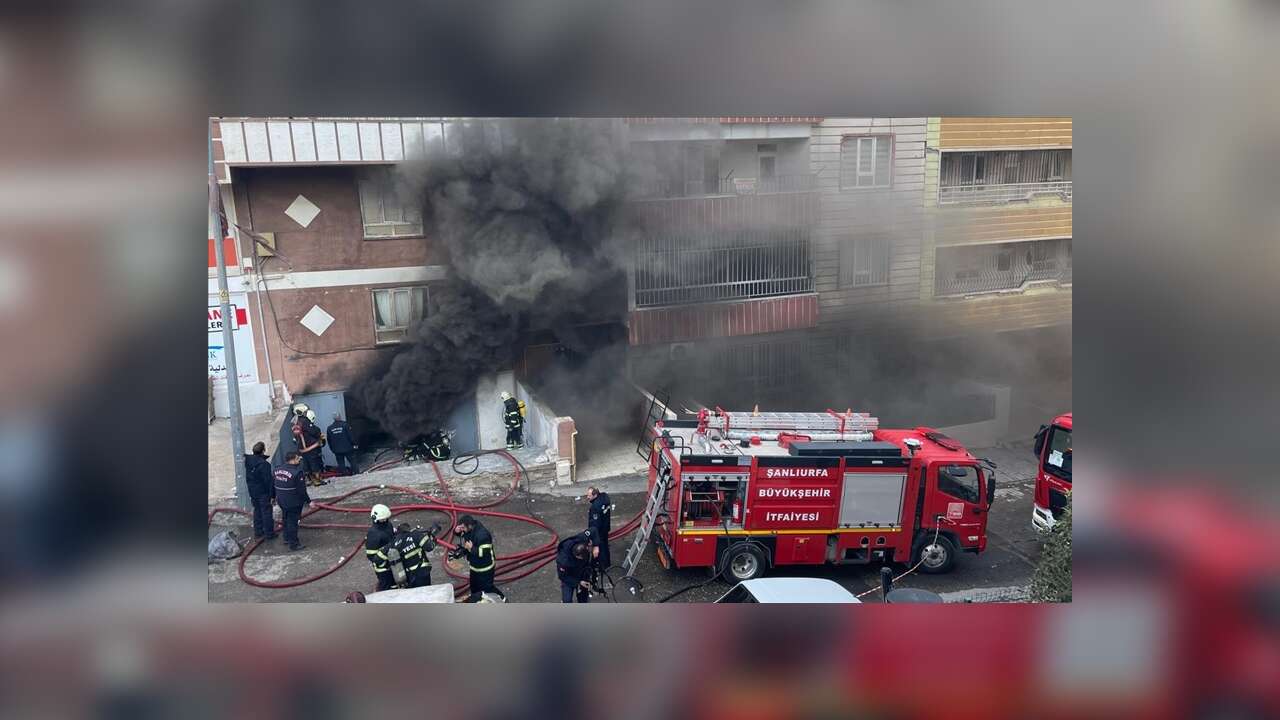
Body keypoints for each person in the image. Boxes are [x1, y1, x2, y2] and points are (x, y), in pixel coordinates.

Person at [454, 514, 504, 602]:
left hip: (485, 568)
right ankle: (477, 601)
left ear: (469, 526)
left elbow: (483, 553)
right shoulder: (469, 530)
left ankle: (502, 599)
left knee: (488, 588)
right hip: (474, 566)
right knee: (474, 587)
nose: (462, 530)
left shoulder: (483, 535)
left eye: (463, 527)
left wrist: (471, 548)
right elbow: (463, 534)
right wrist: (456, 531)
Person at [272, 451, 312, 551]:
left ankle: (286, 538)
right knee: (293, 522)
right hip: (294, 502)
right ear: (293, 460)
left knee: (285, 519)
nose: (299, 461)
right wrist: (309, 501)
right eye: (298, 459)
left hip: (282, 500)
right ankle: (294, 544)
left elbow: (273, 485)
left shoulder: (277, 470)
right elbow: (302, 490)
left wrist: (272, 497)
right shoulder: (297, 473)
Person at [244, 441, 276, 540]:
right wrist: (272, 495)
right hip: (263, 492)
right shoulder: (264, 464)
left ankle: (258, 532)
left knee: (257, 511)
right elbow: (268, 481)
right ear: (263, 450)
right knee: (266, 512)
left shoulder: (248, 461)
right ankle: (269, 533)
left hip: (253, 491)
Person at [391, 522, 436, 588]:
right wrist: (433, 539)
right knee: (426, 593)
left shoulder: (395, 543)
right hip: (422, 571)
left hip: (408, 576)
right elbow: (429, 547)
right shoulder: (415, 534)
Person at [555, 531, 595, 603]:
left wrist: (596, 546)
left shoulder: (583, 541)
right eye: (581, 558)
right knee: (567, 600)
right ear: (576, 555)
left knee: (583, 599)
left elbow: (593, 530)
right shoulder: (563, 561)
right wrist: (578, 582)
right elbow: (562, 576)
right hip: (569, 576)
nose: (583, 559)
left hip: (582, 573)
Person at [365, 504, 395, 592]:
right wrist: (385, 560)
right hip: (383, 568)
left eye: (386, 518)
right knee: (386, 587)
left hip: (394, 560)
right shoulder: (373, 534)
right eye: (383, 519)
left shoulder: (388, 525)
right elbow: (371, 556)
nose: (385, 520)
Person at [586, 486, 612, 570]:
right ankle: (607, 563)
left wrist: (592, 535)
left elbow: (595, 524)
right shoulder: (605, 497)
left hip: (599, 531)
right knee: (605, 545)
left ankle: (601, 566)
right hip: (605, 527)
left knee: (599, 548)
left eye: (589, 495)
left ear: (595, 495)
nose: (587, 497)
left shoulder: (595, 507)